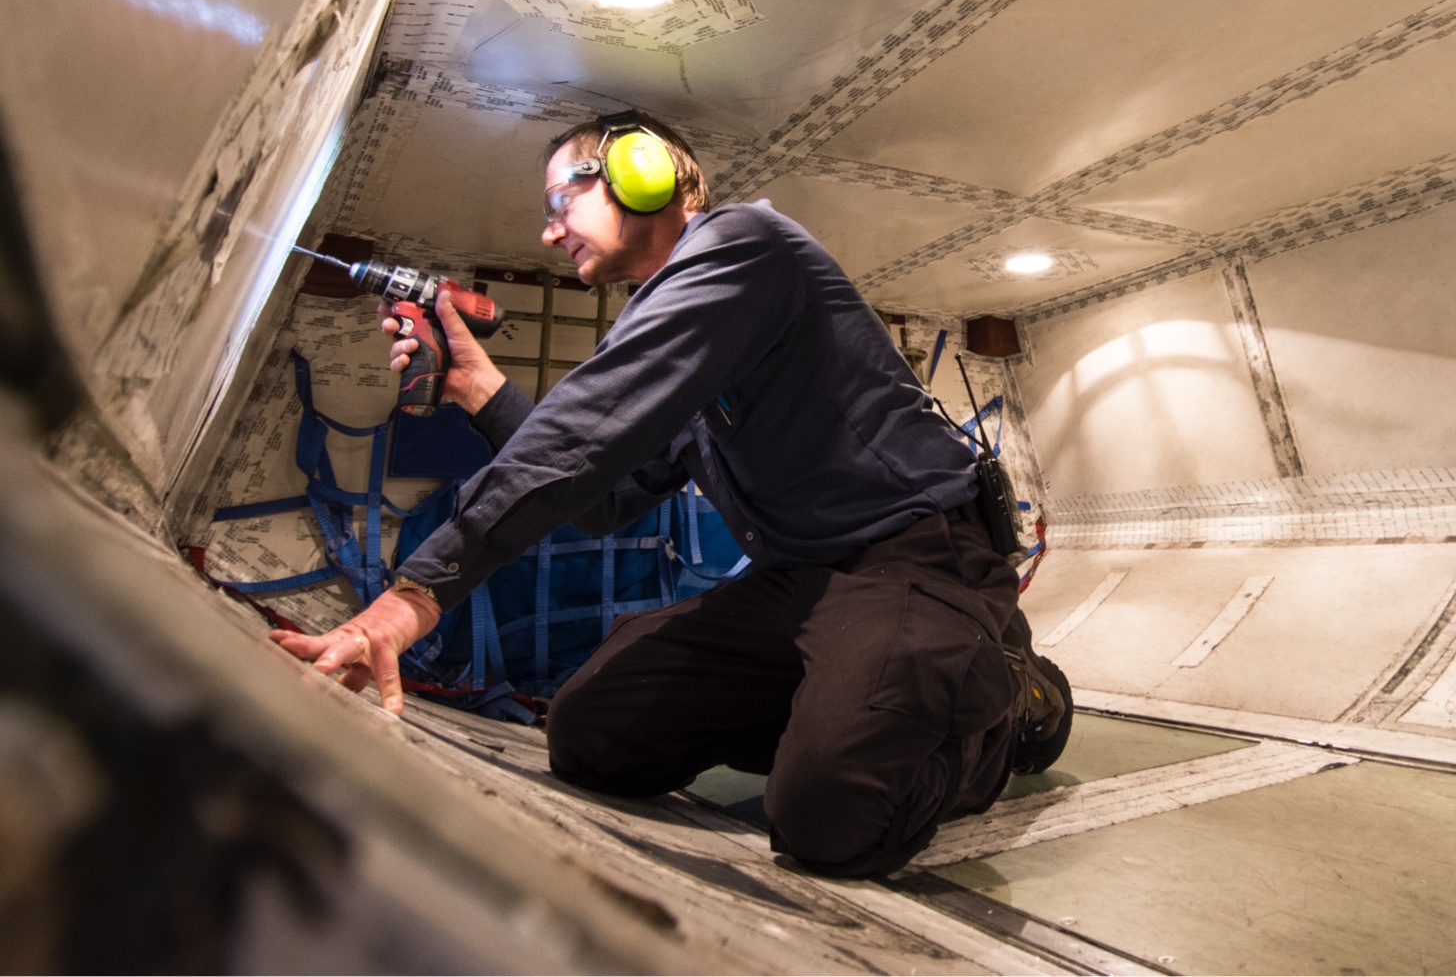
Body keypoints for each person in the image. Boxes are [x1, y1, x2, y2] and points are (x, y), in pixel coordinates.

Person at [270, 111, 1071, 876]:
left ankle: (1001, 700)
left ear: (641, 173)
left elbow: (582, 429)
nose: (549, 232)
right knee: (592, 734)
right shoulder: (688, 337)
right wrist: (478, 389)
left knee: (829, 816)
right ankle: (860, 698)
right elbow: (603, 499)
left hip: (916, 561)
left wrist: (415, 597)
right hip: (802, 583)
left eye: (561, 203)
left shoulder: (743, 245)